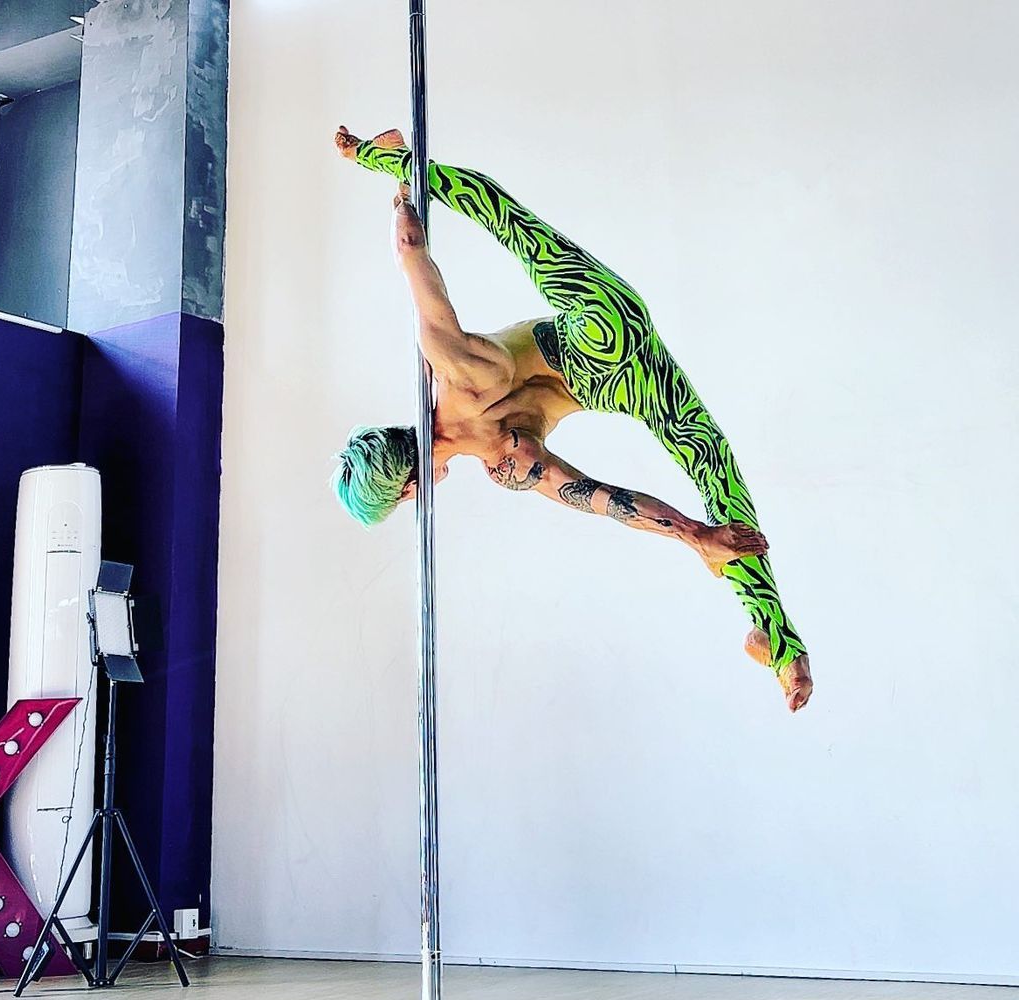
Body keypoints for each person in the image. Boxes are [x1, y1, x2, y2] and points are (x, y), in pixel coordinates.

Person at [332, 127, 813, 712]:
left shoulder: (506, 464)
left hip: (613, 374)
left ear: (409, 491)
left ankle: (786, 654)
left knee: (714, 471)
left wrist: (694, 535)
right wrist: (399, 190)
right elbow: (411, 248)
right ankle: (381, 154)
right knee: (516, 228)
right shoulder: (448, 371)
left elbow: (605, 500)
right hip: (602, 329)